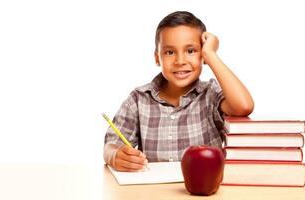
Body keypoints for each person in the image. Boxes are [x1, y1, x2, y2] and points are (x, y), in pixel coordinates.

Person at [104, 11, 254, 172]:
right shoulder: (139, 99)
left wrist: (211, 54)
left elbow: (244, 106)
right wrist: (115, 155)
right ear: (157, 58)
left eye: (191, 51)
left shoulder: (210, 94)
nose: (180, 61)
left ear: (202, 55)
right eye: (170, 52)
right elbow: (111, 145)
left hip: (205, 193)